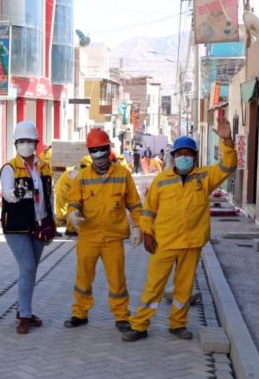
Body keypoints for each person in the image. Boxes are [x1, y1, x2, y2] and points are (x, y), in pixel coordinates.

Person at [123, 116, 236, 342]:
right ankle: (140, 325)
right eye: (180, 154)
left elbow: (228, 166)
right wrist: (147, 233)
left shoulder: (204, 178)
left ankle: (178, 324)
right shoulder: (161, 180)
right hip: (163, 242)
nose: (184, 157)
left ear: (194, 157)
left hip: (192, 244)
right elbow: (148, 211)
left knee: (183, 289)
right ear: (173, 157)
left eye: (188, 153)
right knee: (153, 286)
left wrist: (227, 141)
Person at [65, 128, 143, 333]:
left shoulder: (123, 174)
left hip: (113, 238)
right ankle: (79, 313)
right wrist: (72, 214)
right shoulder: (81, 177)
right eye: (94, 151)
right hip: (88, 236)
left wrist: (138, 227)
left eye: (102, 150)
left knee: (117, 279)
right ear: (89, 152)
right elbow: (73, 202)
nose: (98, 155)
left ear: (108, 149)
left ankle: (121, 316)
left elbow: (135, 205)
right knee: (83, 277)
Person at [0, 121, 56, 334]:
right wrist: (15, 194)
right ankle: (24, 315)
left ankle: (23, 309)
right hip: (16, 227)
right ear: (15, 144)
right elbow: (7, 192)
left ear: (36, 143)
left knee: (31, 271)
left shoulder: (44, 167)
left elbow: (48, 196)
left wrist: (52, 221)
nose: (25, 145)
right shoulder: (10, 168)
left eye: (29, 141)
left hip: (39, 224)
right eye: (21, 141)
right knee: (28, 268)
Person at [54, 155, 91, 237]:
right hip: (63, 189)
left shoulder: (79, 170)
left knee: (64, 212)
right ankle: (70, 229)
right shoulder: (81, 173)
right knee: (72, 207)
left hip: (63, 187)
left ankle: (61, 225)